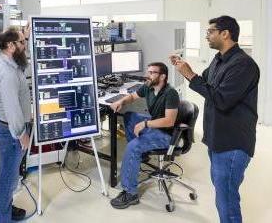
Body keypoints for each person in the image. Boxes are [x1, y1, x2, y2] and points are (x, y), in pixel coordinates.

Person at [170, 15, 260, 223]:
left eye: (210, 32)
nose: (206, 37)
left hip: (233, 143)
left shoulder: (243, 65)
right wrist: (185, 70)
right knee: (223, 192)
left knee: (226, 199)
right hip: (217, 139)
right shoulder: (219, 58)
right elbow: (206, 84)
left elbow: (221, 100)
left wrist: (190, 75)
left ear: (225, 33)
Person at [109, 62, 179, 209]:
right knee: (129, 116)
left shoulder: (170, 93)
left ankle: (130, 193)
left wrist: (145, 124)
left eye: (152, 72)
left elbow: (169, 121)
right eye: (149, 72)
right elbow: (132, 96)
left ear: (163, 76)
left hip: (166, 134)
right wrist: (121, 101)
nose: (148, 75)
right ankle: (141, 155)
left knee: (133, 147)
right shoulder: (148, 87)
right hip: (154, 125)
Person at [0, 25, 31, 222]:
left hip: (9, 130)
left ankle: (4, 209)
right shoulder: (7, 73)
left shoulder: (8, 60)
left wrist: (25, 36)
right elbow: (12, 108)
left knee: (11, 176)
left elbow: (23, 63)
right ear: (10, 45)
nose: (25, 45)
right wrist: (21, 133)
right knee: (8, 178)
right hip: (12, 132)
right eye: (22, 42)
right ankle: (1, 218)